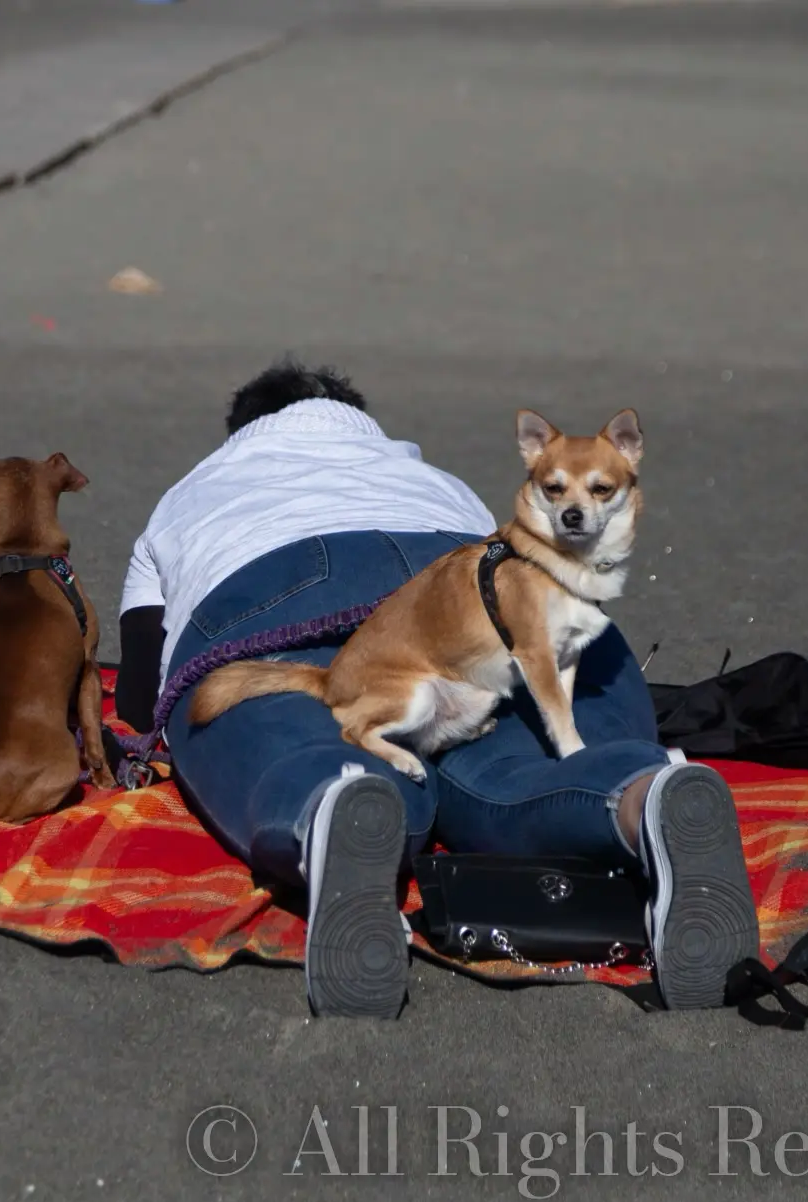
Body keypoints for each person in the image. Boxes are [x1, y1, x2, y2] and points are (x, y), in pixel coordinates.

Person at [117, 360, 756, 1018]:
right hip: (457, 567)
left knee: (291, 729)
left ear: (240, 432)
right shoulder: (428, 478)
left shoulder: (192, 493)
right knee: (514, 764)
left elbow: (140, 696)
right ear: (361, 421)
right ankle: (640, 796)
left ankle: (331, 798)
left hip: (269, 585)